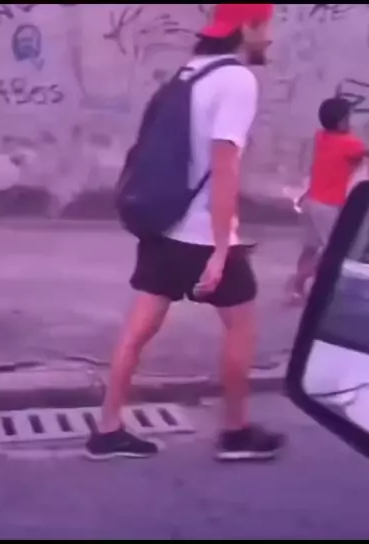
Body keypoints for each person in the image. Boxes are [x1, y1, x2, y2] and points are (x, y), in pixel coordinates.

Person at [86, 4, 285, 462]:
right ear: (247, 27)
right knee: (241, 327)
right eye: (266, 26)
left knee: (138, 330)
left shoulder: (191, 71)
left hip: (163, 225)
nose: (270, 37)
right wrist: (222, 248)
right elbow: (225, 166)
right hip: (202, 233)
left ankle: (108, 429)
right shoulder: (237, 80)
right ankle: (235, 431)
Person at [286, 97, 369, 304]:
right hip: (328, 206)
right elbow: (364, 153)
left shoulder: (321, 136)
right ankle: (301, 280)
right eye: (348, 118)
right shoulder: (350, 143)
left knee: (310, 248)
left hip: (310, 201)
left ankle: (297, 290)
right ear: (341, 122)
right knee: (334, 251)